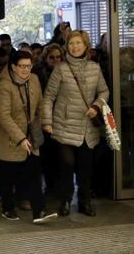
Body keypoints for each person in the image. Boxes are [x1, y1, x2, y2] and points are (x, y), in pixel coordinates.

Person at [41, 30, 109, 217]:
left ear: (85, 45)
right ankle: (66, 199)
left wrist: (96, 106)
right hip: (64, 125)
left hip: (87, 126)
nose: (74, 46)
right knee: (67, 164)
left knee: (85, 167)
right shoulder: (60, 68)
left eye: (78, 43)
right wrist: (47, 121)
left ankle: (84, 201)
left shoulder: (95, 68)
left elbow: (104, 92)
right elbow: (48, 97)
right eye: (71, 43)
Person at [0, 51, 57, 224]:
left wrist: (45, 122)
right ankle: (8, 208)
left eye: (28, 66)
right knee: (8, 177)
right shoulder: (4, 86)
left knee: (33, 174)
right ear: (13, 67)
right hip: (9, 138)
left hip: (31, 134)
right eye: (22, 66)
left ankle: (39, 211)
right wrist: (20, 139)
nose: (25, 70)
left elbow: (41, 103)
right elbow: (4, 116)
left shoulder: (34, 80)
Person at [32, 43, 64, 195]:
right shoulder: (38, 74)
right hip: (45, 118)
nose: (56, 60)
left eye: (59, 57)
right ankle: (51, 186)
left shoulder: (67, 72)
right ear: (46, 58)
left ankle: (60, 187)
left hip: (63, 118)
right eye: (52, 57)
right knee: (47, 155)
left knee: (62, 156)